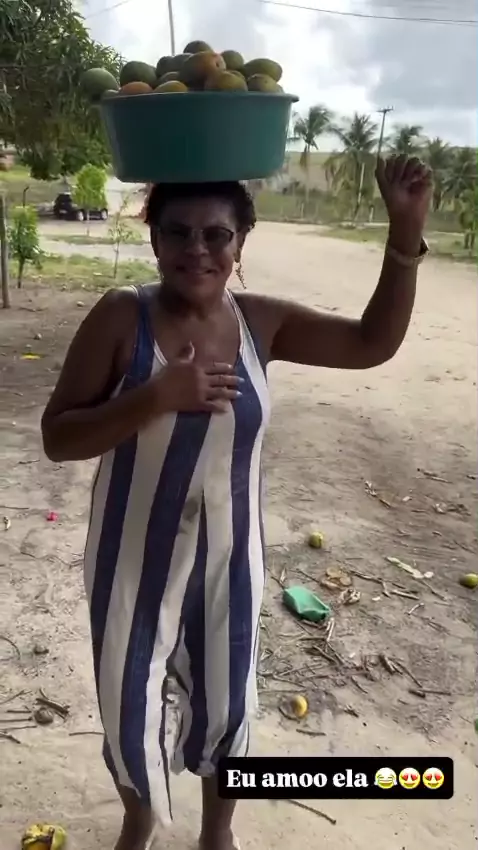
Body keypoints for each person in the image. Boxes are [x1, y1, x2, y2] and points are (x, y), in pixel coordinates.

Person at [41, 154, 432, 850]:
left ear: (241, 242)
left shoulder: (260, 323)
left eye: (216, 234)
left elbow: (371, 344)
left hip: (231, 559)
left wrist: (405, 235)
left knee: (229, 707)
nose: (197, 249)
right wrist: (154, 397)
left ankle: (218, 832)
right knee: (129, 712)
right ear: (154, 239)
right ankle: (139, 821)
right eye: (178, 232)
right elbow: (59, 438)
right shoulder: (121, 317)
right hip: (131, 559)